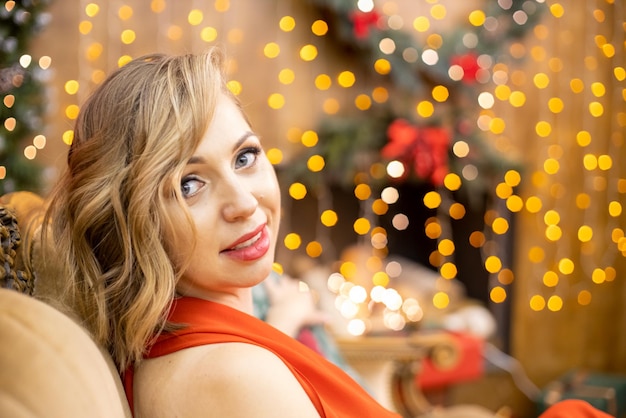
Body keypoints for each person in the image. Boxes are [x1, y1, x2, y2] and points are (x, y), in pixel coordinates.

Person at [44, 49, 400, 417]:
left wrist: (282, 324)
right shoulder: (239, 378)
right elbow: (240, 381)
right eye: (189, 185)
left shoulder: (205, 348)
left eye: (244, 157)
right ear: (133, 222)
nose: (245, 203)